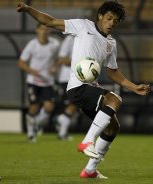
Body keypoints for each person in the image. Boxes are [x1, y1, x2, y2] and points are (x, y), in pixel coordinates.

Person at [17, 0, 150, 179]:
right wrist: (28, 9)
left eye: (116, 21)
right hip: (77, 87)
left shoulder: (111, 43)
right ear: (100, 16)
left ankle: (89, 170)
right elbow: (49, 21)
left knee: (112, 128)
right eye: (109, 18)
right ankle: (87, 141)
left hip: (90, 87)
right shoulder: (82, 26)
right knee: (115, 99)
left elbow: (112, 73)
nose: (112, 23)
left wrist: (134, 87)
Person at [18, 23, 60, 143]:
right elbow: (21, 63)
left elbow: (59, 58)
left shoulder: (55, 44)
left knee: (49, 107)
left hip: (48, 81)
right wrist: (31, 71)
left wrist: (55, 67)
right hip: (33, 81)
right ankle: (31, 133)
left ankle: (35, 124)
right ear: (37, 30)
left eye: (47, 29)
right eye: (42, 29)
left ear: (50, 32)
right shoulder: (32, 45)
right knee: (34, 108)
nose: (44, 31)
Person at [53, 35, 77, 140]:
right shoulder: (70, 39)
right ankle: (62, 131)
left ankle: (60, 121)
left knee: (75, 105)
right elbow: (62, 58)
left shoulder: (88, 39)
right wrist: (80, 63)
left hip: (78, 78)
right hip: (67, 78)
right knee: (73, 104)